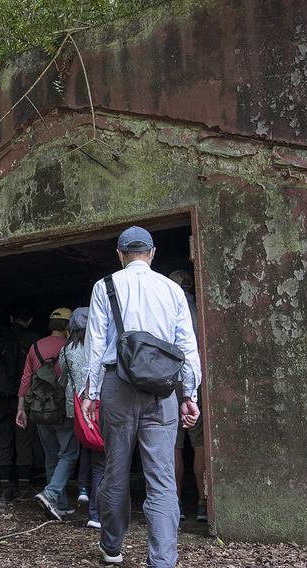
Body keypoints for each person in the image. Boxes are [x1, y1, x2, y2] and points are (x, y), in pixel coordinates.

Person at [81, 226, 201, 566]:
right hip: (163, 391)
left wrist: (90, 394)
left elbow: (95, 345)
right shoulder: (172, 290)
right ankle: (162, 560)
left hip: (117, 385)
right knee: (162, 480)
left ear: (120, 255)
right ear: (152, 253)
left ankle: (112, 547)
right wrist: (189, 393)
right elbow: (186, 347)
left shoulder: (105, 286)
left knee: (115, 472)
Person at [16, 307, 78, 521]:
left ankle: (58, 503)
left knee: (51, 456)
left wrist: (21, 408)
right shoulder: (70, 346)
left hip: (40, 409)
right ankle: (52, 494)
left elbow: (26, 379)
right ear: (68, 326)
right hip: (63, 409)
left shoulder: (35, 347)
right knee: (68, 454)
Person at [0, 306, 39, 499]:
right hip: (24, 398)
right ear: (30, 320)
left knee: (3, 440)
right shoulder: (32, 340)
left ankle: (5, 486)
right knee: (24, 441)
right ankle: (24, 487)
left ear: (11, 318)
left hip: (1, 399)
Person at [59, 307, 105, 530]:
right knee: (97, 453)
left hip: (74, 407)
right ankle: (94, 507)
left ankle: (82, 489)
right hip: (96, 406)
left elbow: (62, 376)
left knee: (77, 448)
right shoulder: (98, 346)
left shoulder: (67, 349)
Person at [168, 269, 207, 522]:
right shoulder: (200, 309)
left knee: (173, 445)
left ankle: (176, 503)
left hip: (169, 382)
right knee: (201, 443)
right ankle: (204, 503)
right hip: (196, 382)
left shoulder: (168, 308)